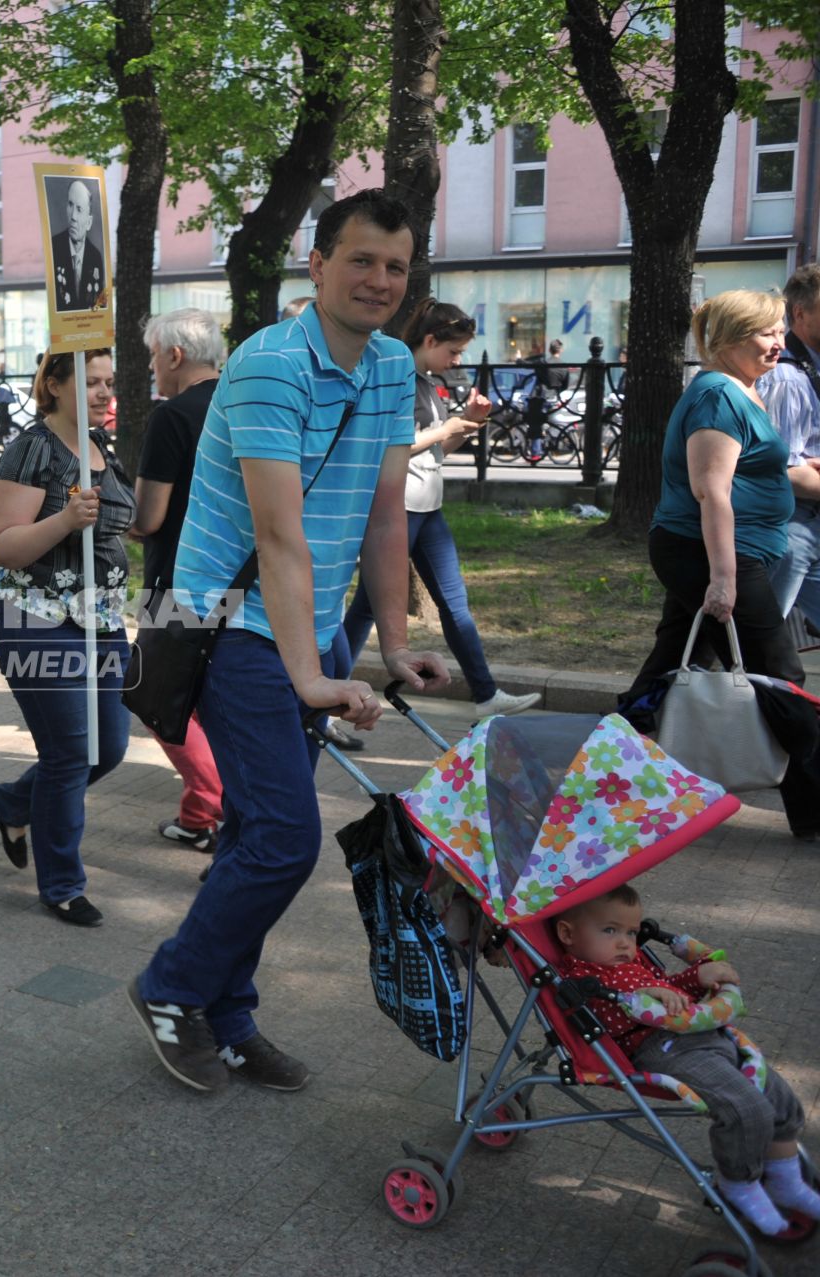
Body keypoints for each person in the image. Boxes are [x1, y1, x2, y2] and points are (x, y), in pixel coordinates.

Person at [130, 189, 450, 1093]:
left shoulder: (391, 367)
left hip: (305, 629)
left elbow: (388, 517)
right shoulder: (273, 364)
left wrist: (389, 641)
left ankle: (227, 1018)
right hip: (230, 626)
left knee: (249, 834)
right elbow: (279, 536)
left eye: (395, 265)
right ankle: (169, 986)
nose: (380, 280)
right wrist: (311, 675)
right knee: (281, 836)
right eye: (361, 260)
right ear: (317, 265)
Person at [623, 289, 818, 839]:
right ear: (730, 337)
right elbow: (712, 492)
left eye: (781, 330)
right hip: (705, 554)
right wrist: (724, 580)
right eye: (766, 333)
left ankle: (608, 773)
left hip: (712, 552)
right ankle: (814, 807)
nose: (779, 342)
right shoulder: (717, 397)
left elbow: (758, 470)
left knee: (667, 668)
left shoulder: (743, 389)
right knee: (782, 676)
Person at [552, 884, 820, 1235]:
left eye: (631, 932)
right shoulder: (582, 980)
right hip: (660, 1049)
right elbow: (613, 1016)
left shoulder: (627, 961)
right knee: (745, 1108)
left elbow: (672, 994)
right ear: (567, 934)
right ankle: (737, 1183)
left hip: (701, 1035)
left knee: (780, 1097)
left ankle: (786, 1180)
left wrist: (696, 976)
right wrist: (642, 995)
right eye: (610, 930)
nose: (624, 943)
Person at [0, 349, 135, 926]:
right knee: (70, 753)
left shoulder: (101, 447)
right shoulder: (33, 449)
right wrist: (65, 520)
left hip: (102, 621)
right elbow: (3, 544)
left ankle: (14, 801)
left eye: (108, 381)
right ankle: (62, 883)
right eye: (90, 381)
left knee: (109, 748)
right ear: (55, 383)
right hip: (35, 617)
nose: (103, 392)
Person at [338, 300, 543, 718]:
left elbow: (435, 451)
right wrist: (445, 428)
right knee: (368, 608)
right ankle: (331, 695)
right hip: (402, 506)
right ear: (429, 340)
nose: (457, 360)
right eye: (453, 351)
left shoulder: (426, 382)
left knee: (449, 603)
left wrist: (465, 423)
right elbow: (396, 447)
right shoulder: (401, 381)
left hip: (425, 506)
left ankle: (485, 694)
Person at [130, 308, 227, 854]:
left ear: (174, 354)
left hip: (178, 581)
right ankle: (206, 812)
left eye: (151, 356)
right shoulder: (240, 404)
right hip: (240, 579)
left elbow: (149, 519)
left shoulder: (173, 417)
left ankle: (206, 803)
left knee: (155, 693)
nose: (151, 368)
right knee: (213, 699)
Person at [761, 263, 820, 634]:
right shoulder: (786, 375)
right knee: (756, 642)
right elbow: (783, 469)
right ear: (800, 312)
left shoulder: (808, 365)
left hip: (807, 523)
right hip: (791, 524)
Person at [50, 180, 106, 313]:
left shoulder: (95, 257)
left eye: (79, 209)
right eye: (70, 205)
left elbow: (100, 304)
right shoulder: (53, 248)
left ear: (89, 222)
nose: (73, 216)